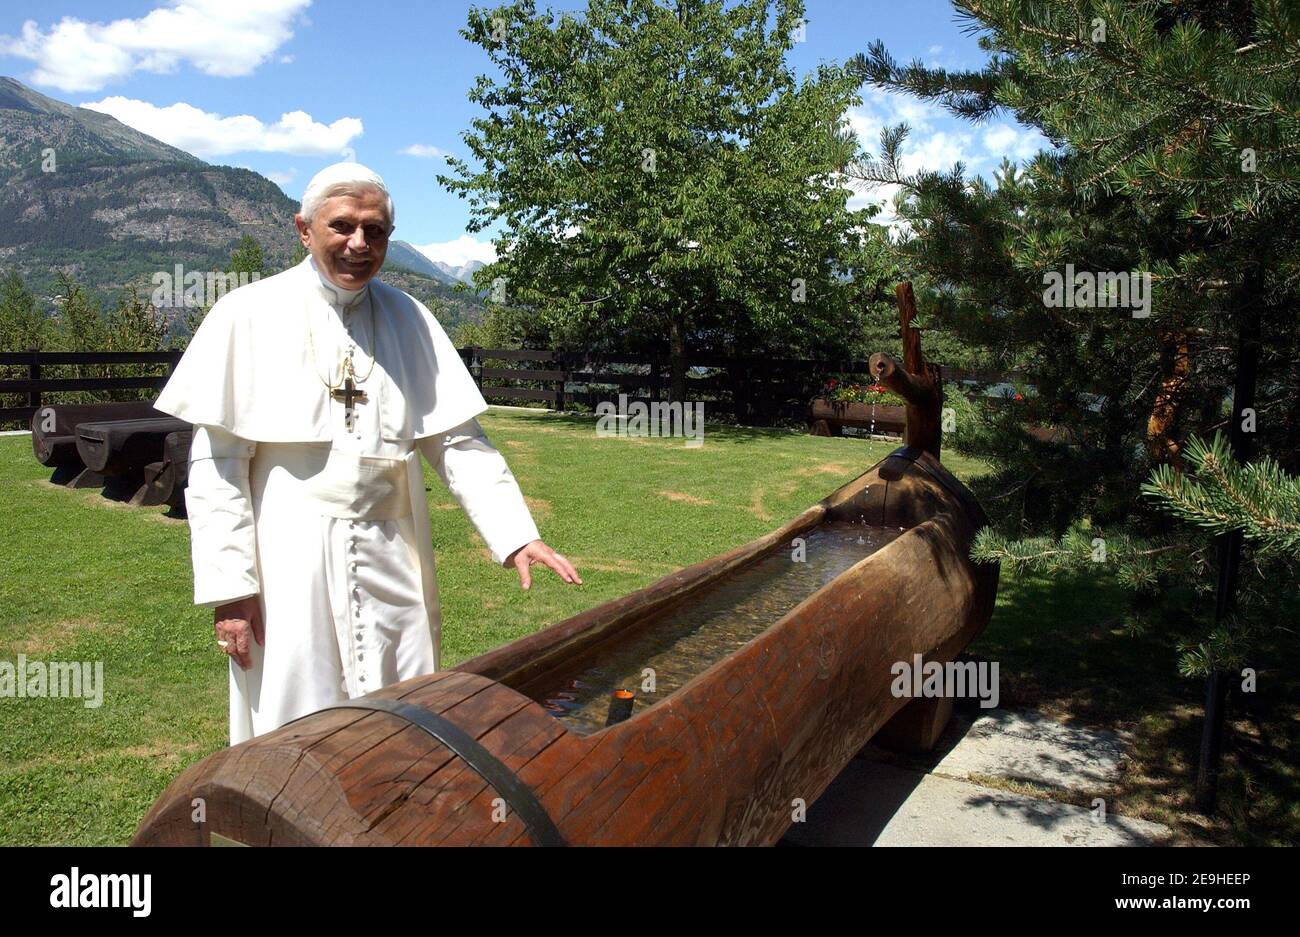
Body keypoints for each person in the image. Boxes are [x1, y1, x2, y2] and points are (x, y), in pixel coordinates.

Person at [155, 162, 581, 745]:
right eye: (342, 227)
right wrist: (233, 586)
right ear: (304, 230)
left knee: (404, 703)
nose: (360, 244)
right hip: (289, 554)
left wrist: (515, 534)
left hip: (395, 549)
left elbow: (457, 441)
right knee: (296, 708)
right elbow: (217, 466)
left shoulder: (411, 317)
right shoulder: (247, 313)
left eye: (375, 231)